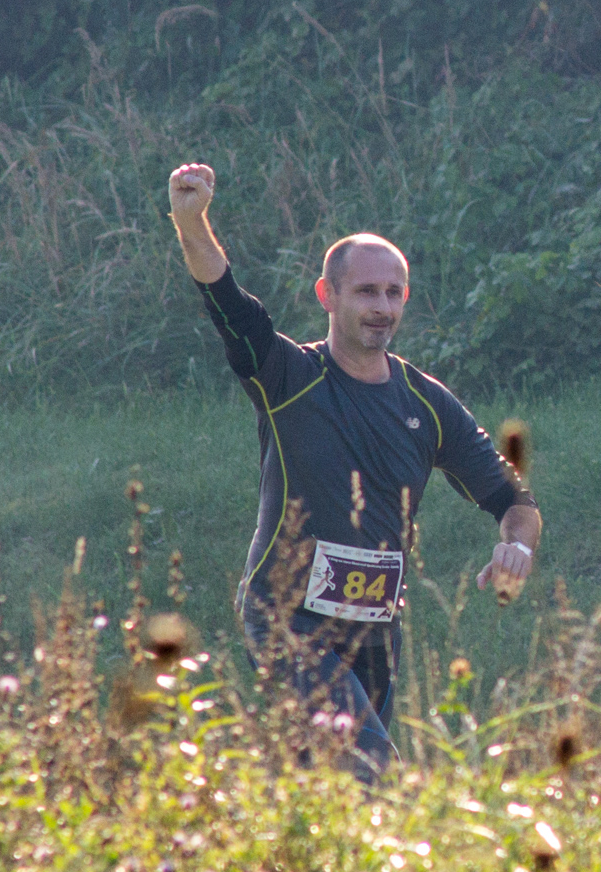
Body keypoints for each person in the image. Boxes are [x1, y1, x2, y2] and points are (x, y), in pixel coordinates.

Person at [166, 162, 541, 780]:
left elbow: (514, 500)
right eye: (366, 292)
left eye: (393, 293)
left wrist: (515, 547)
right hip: (287, 617)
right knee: (370, 773)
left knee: (323, 792)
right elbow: (226, 300)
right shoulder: (286, 376)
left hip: (375, 631)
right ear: (328, 296)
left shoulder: (427, 403)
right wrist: (192, 219)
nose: (382, 307)